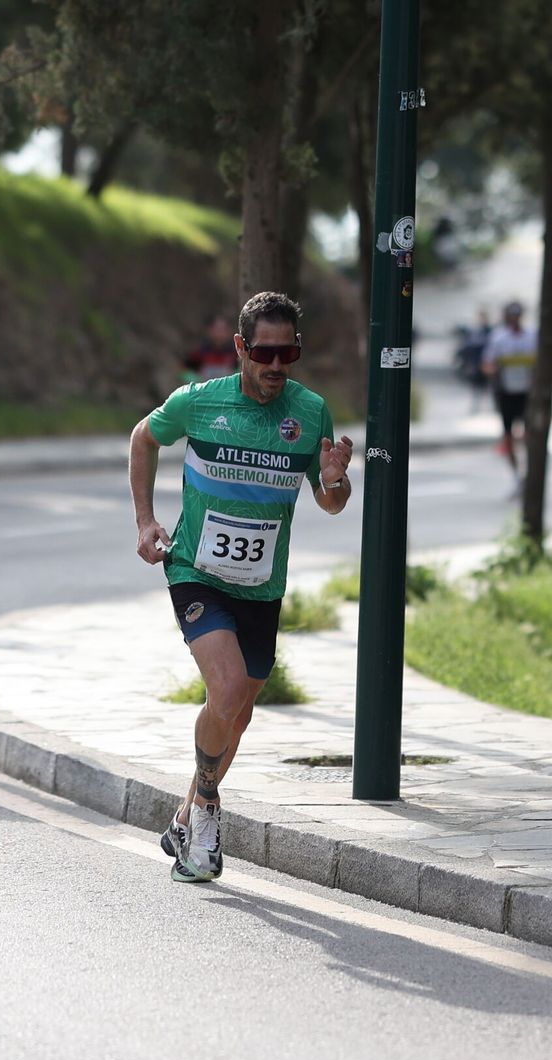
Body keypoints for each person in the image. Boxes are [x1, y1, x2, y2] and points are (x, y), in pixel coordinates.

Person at [129, 291, 353, 882]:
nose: (276, 366)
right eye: (263, 353)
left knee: (239, 711)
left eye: (288, 354)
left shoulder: (311, 413)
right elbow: (143, 438)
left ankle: (184, 819)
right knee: (226, 689)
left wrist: (335, 481)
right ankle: (207, 811)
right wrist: (146, 522)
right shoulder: (200, 402)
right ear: (240, 348)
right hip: (196, 570)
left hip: (261, 584)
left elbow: (330, 502)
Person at [481, 300, 537, 495]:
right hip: (506, 394)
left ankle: (529, 474)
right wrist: (495, 370)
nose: (514, 320)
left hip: (528, 394)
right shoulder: (499, 338)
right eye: (511, 316)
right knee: (508, 437)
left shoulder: (532, 336)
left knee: (529, 435)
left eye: (517, 315)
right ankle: (516, 476)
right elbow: (487, 364)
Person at [454, 308, 493, 414]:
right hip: (477, 364)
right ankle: (476, 406)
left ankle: (487, 407)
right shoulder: (475, 332)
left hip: (486, 363)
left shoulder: (490, 331)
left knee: (488, 386)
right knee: (476, 386)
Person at [181, 312, 239, 383]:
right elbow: (183, 369)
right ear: (210, 330)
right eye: (218, 329)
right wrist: (196, 379)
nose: (221, 333)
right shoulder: (200, 352)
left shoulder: (235, 353)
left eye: (224, 329)